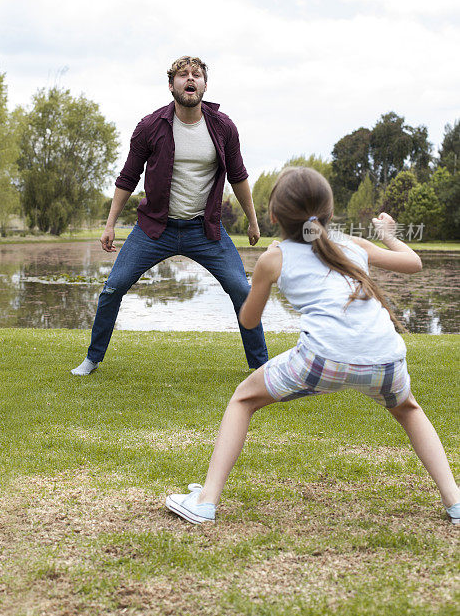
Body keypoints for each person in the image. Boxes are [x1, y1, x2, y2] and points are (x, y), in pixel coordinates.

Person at [166, 166, 460, 526]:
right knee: (409, 411)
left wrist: (263, 275)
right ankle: (456, 503)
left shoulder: (275, 257)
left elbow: (249, 321)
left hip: (321, 360)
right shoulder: (352, 244)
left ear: (273, 216)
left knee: (243, 399)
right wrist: (389, 235)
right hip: (386, 360)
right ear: (330, 212)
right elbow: (413, 263)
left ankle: (206, 501)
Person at [71, 55, 269, 376]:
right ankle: (92, 359)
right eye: (183, 75)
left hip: (204, 231)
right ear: (171, 85)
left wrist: (253, 219)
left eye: (197, 75)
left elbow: (239, 176)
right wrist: (109, 224)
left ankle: (260, 366)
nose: (190, 79)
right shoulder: (150, 127)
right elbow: (127, 177)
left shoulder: (223, 128)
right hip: (155, 229)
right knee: (113, 287)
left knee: (243, 291)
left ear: (205, 85)